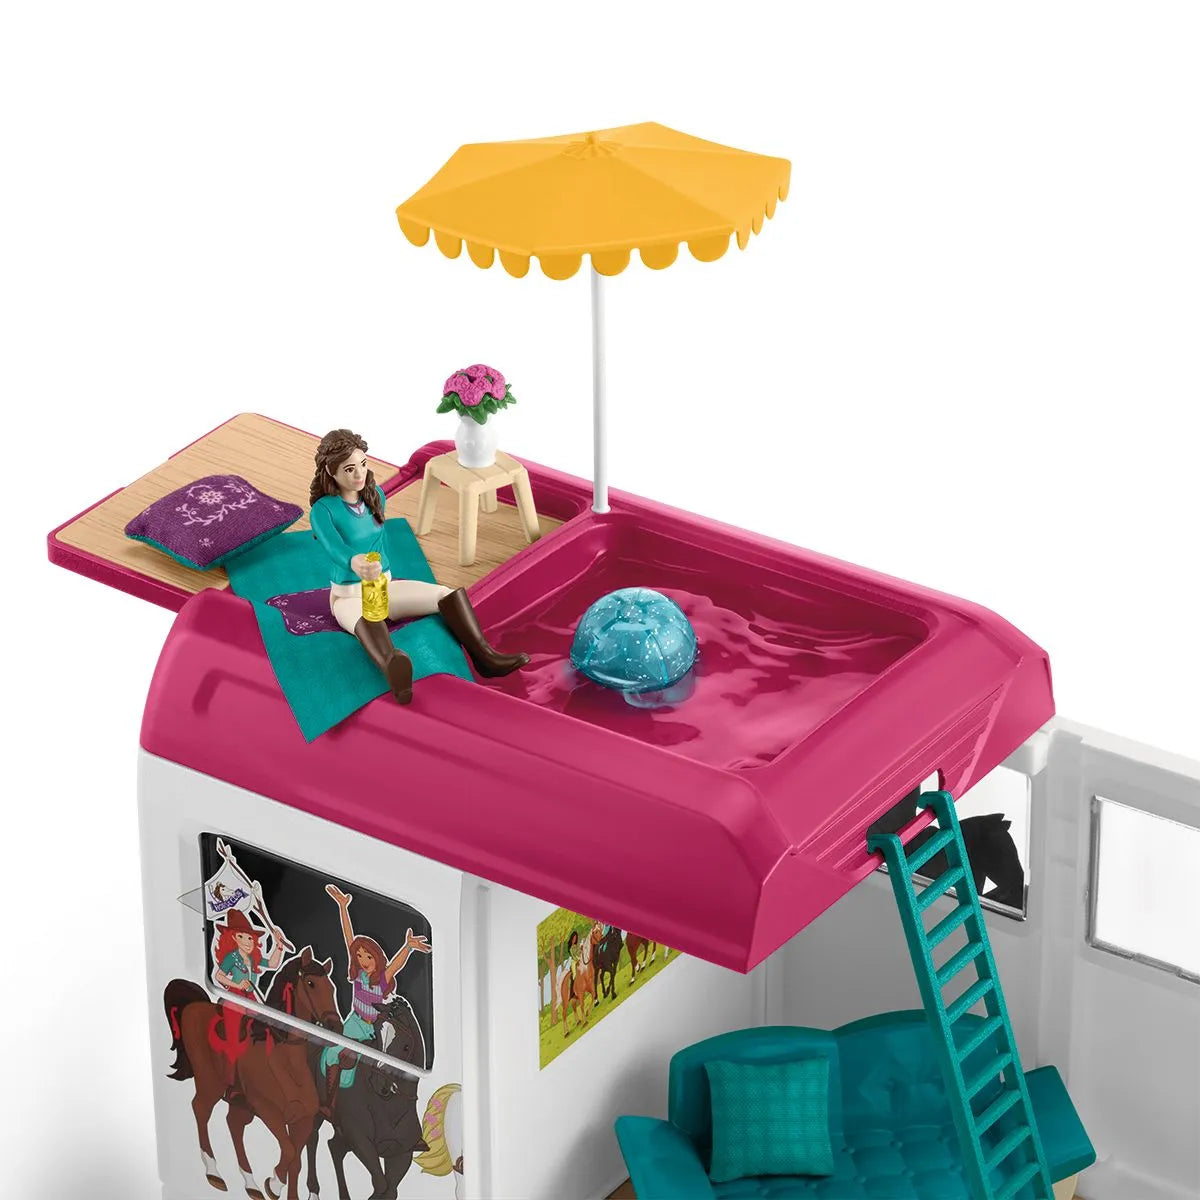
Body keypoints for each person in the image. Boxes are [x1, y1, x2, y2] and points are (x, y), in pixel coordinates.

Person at [308, 429, 528, 704]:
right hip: (348, 595)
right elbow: (333, 547)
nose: (359, 474)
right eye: (349, 469)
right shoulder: (323, 510)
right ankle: (394, 669)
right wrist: (354, 561)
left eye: (362, 464)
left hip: (384, 586)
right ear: (331, 472)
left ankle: (486, 657)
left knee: (445, 594)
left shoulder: (375, 495)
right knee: (366, 620)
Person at [321, 882, 432, 1113]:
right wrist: (343, 907)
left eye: (368, 956)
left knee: (381, 1066)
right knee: (333, 1055)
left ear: (376, 957)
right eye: (360, 956)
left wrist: (408, 947)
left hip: (376, 1028)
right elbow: (349, 937)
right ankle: (330, 1102)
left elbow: (396, 965)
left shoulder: (381, 979)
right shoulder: (358, 974)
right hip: (355, 1023)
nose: (363, 961)